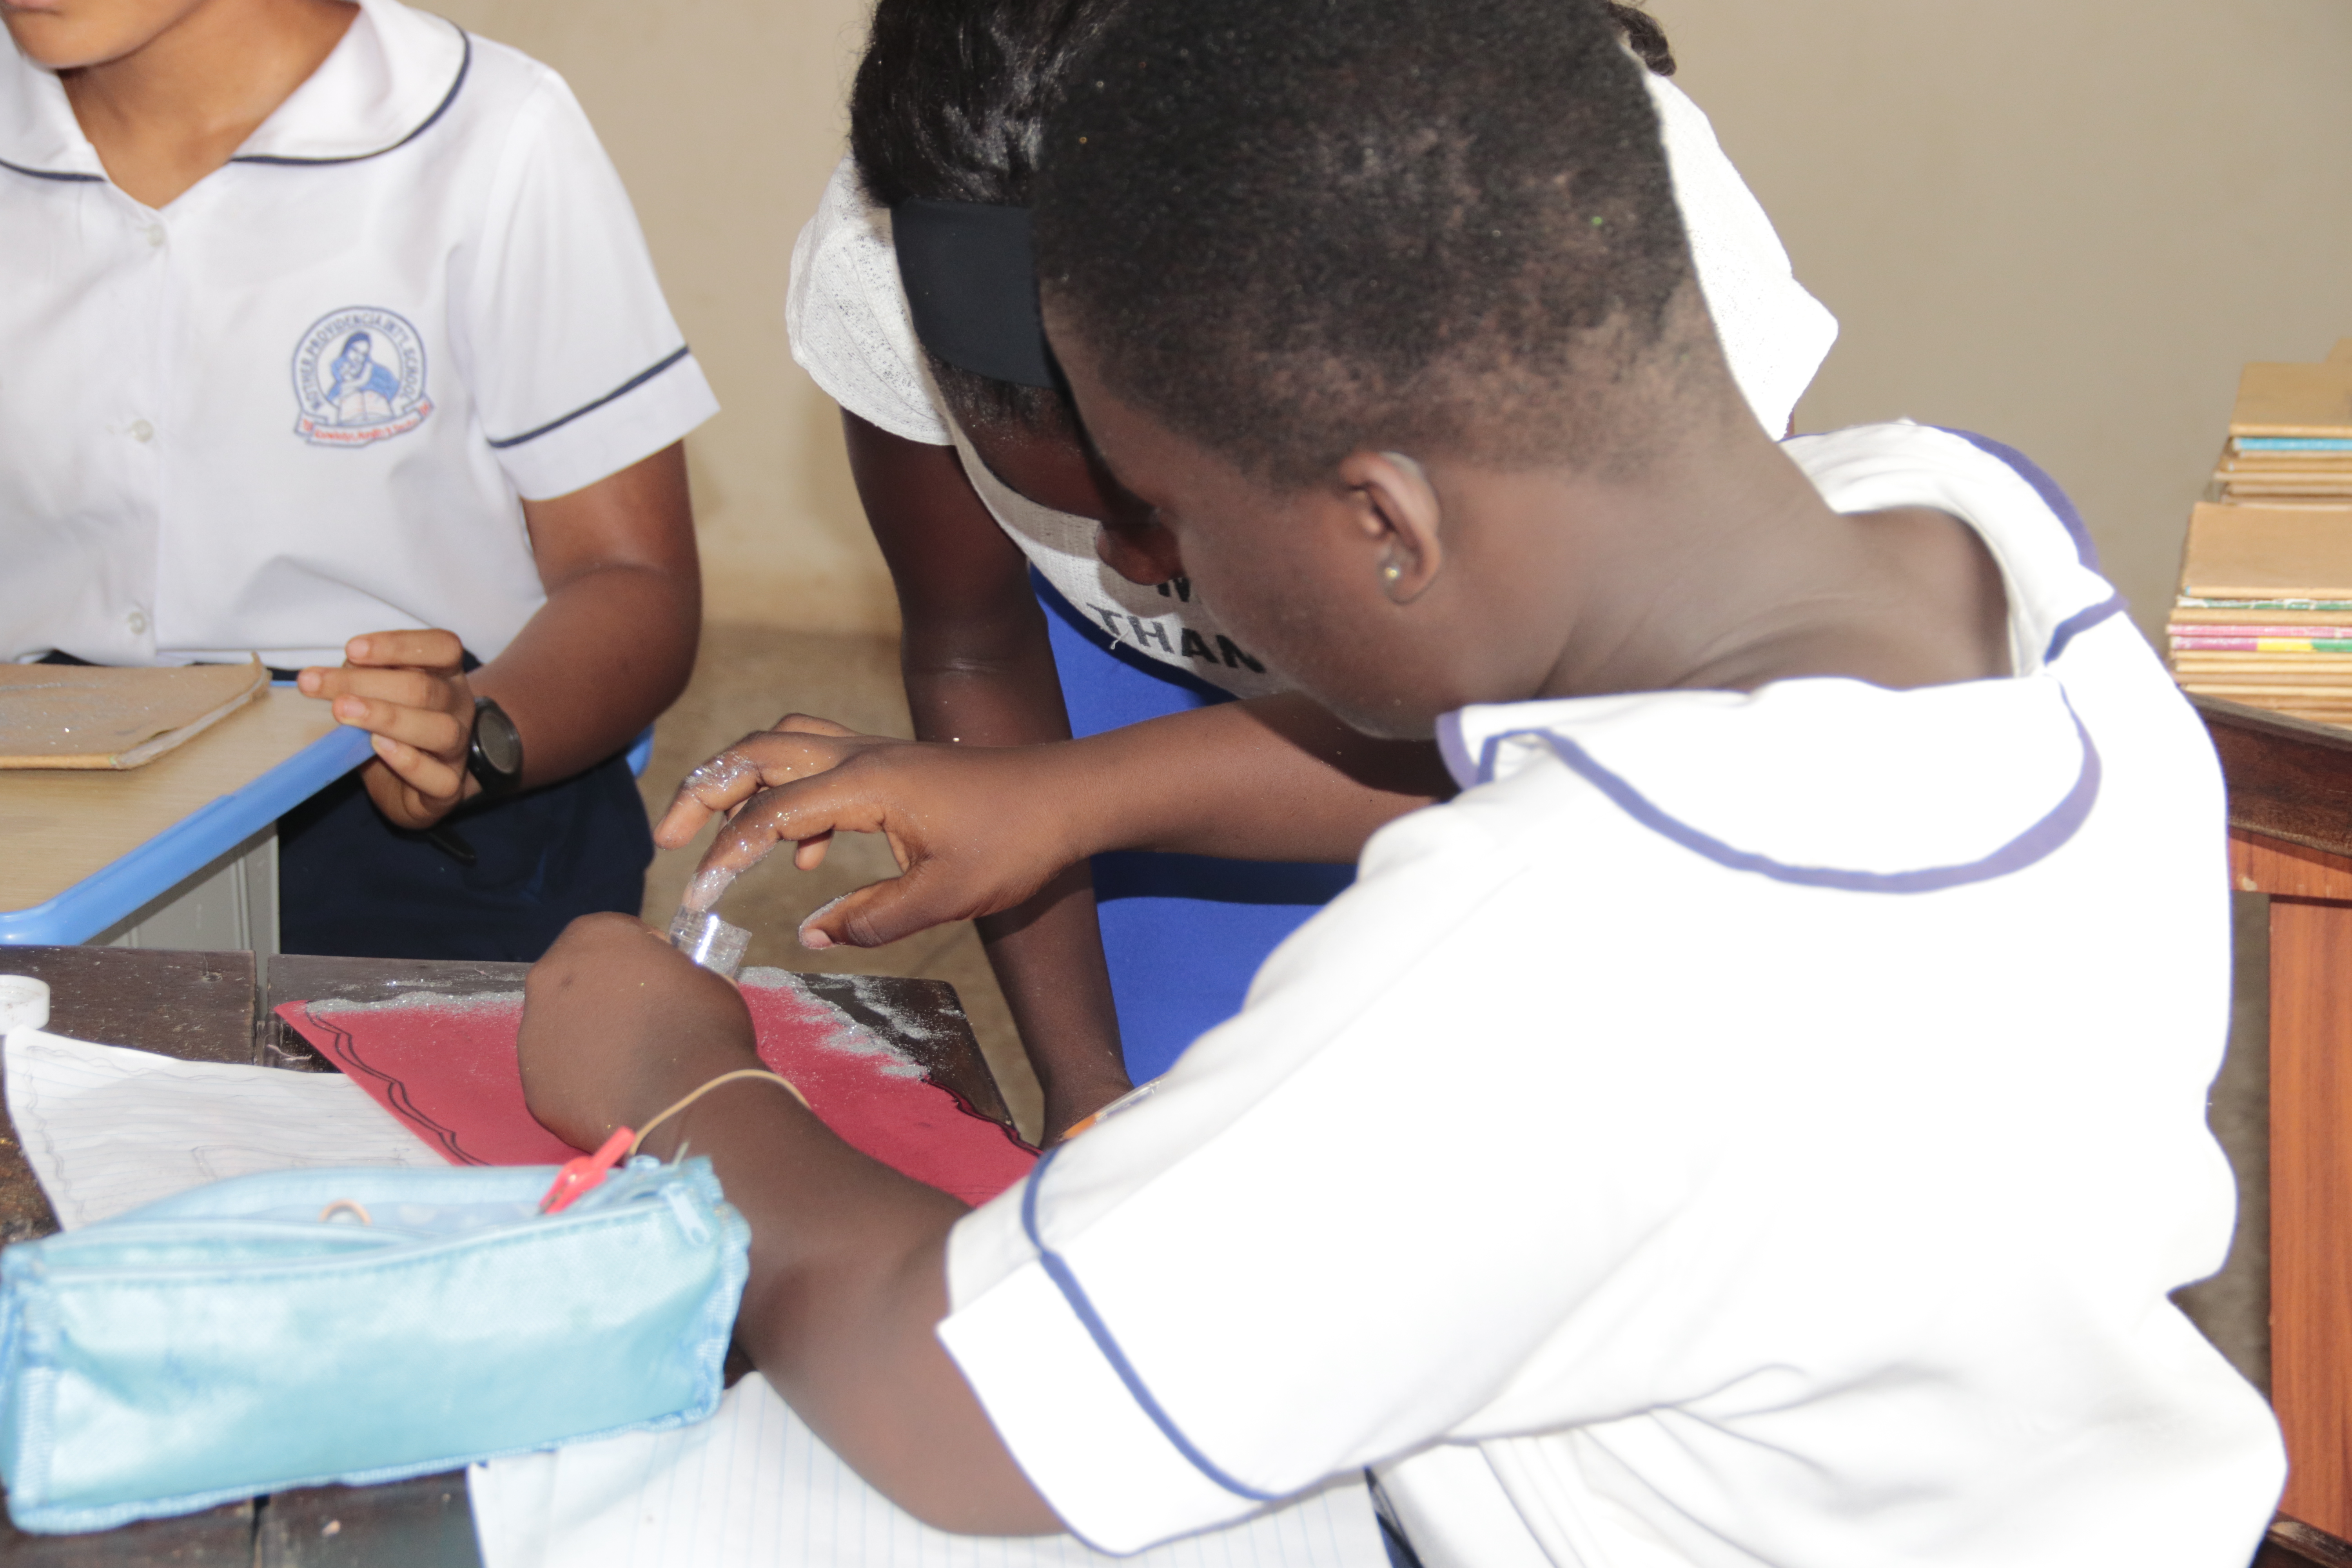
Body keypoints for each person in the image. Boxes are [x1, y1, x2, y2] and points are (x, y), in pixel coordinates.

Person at [516, 0, 2284, 1557]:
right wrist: (1076, 798)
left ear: (1385, 521)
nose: (1138, 569)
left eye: (1163, 512)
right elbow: (1576, 760)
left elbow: (955, 1401)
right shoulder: (1971, 538)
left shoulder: (1537, 961)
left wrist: (684, 1089)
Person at [672, 0, 1836, 1136]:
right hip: (1137, 690)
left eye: (1165, 503)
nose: (1136, 564)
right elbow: (974, 645)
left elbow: (1608, 739)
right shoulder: (901, 243)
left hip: (1584, 716)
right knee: (1195, 1125)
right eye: (1078, 512)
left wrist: (1063, 799)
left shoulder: (1598, 215)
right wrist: (1085, 1088)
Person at [0, 0, 715, 960]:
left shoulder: (489, 130)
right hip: (40, 763)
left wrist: (474, 738)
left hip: (401, 769)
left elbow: (633, 578)